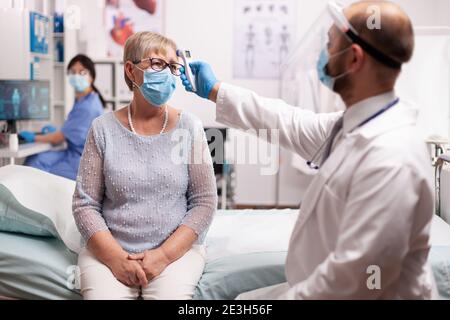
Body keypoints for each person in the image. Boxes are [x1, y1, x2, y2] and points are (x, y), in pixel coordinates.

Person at [180, 1, 437, 299]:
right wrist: (214, 89)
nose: (322, 55)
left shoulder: (391, 158)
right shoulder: (351, 125)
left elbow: (354, 279)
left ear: (354, 58)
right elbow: (285, 121)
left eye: (329, 44)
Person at [72, 31, 217, 300]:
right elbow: (85, 204)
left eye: (173, 66)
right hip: (109, 251)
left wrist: (163, 255)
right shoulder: (102, 129)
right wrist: (116, 258)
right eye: (157, 64)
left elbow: (204, 202)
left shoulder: (190, 127)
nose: (167, 72)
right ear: (131, 70)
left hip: (176, 253)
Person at [19, 54, 105, 180]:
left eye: (81, 72)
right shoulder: (85, 99)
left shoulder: (88, 106)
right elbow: (74, 129)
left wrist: (33, 137)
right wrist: (62, 130)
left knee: (35, 164)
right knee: (35, 159)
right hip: (74, 153)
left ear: (91, 77)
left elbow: (57, 139)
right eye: (73, 72)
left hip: (80, 160)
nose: (76, 76)